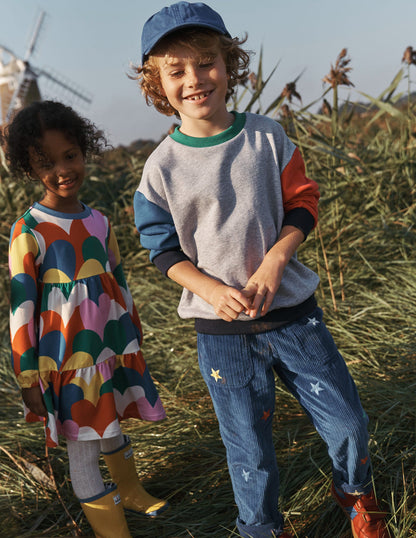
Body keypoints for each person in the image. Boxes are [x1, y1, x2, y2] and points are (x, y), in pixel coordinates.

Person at [132, 2, 390, 537]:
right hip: (223, 333)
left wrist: (277, 258)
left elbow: (304, 202)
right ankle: (261, 529)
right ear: (157, 84)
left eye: (206, 62)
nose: (195, 80)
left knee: (348, 422)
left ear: (229, 63)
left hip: (295, 315)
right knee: (248, 449)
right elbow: (160, 249)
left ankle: (355, 493)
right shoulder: (160, 169)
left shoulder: (267, 137)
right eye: (176, 71)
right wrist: (207, 288)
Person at [1, 100, 169, 538]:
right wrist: (26, 377)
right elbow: (21, 307)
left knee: (111, 425)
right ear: (28, 167)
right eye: (46, 162)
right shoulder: (29, 230)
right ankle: (112, 531)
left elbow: (117, 278)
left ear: (84, 150)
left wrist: (133, 326)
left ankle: (129, 491)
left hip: (112, 349)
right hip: (66, 362)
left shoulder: (99, 221)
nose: (62, 169)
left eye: (70, 155)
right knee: (84, 447)